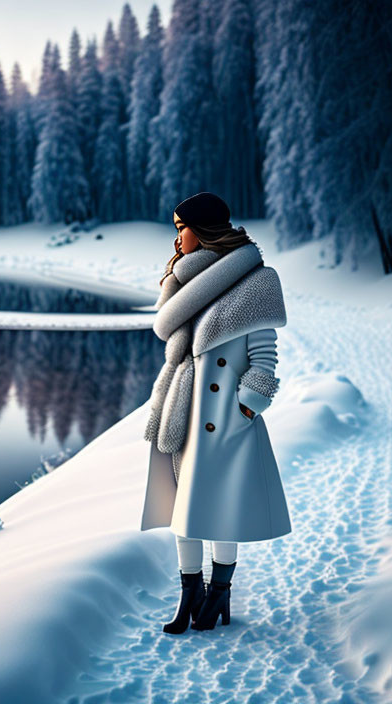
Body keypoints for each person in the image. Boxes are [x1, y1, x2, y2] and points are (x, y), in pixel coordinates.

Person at [140, 191, 292, 633]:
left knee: (220, 507)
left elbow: (264, 356)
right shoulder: (184, 284)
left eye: (181, 228)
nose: (176, 239)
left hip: (224, 419)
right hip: (182, 411)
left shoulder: (257, 282)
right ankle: (191, 594)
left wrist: (247, 408)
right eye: (175, 229)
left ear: (203, 230)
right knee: (182, 507)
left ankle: (219, 593)